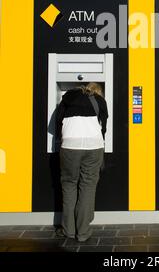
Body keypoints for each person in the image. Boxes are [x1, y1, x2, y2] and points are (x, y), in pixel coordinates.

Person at [55, 82, 108, 242]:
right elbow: (103, 127)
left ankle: (68, 230)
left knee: (69, 185)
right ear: (98, 91)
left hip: (70, 146)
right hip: (94, 146)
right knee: (88, 186)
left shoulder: (67, 98)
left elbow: (57, 123)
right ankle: (83, 233)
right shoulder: (99, 101)